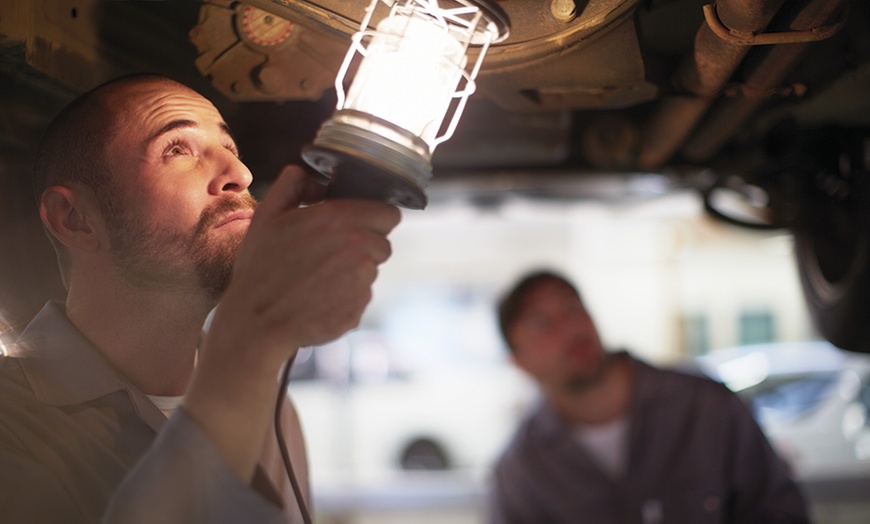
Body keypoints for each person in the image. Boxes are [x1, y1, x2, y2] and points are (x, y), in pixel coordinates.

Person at [0, 73, 400, 523]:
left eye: (230, 149)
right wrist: (252, 341)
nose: (240, 175)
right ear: (75, 218)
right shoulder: (10, 426)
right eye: (177, 149)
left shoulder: (271, 409)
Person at [488, 270, 809, 523]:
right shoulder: (523, 470)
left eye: (573, 306)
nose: (571, 327)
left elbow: (780, 510)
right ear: (519, 362)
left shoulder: (706, 409)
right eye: (541, 323)